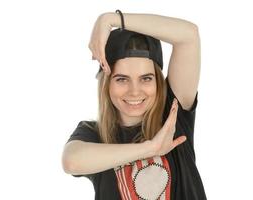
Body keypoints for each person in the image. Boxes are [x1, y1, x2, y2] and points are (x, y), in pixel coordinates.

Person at [62, 9, 207, 200]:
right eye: (122, 79)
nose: (135, 91)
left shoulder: (172, 116)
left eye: (146, 78)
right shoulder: (94, 134)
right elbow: (71, 161)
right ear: (107, 84)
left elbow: (188, 36)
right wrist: (150, 149)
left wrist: (112, 19)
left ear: (157, 81)